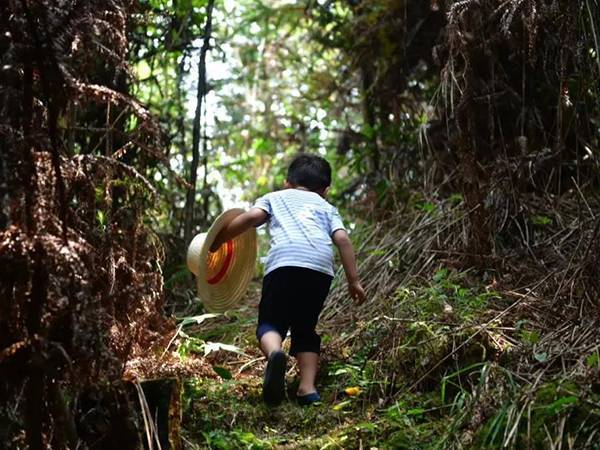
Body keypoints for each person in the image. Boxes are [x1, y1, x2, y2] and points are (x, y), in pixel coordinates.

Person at [210, 153, 366, 406]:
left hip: (284, 265)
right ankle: (307, 388)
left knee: (271, 321)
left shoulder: (275, 197)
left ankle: (275, 354)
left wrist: (217, 241)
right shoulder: (327, 207)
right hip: (318, 270)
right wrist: (353, 281)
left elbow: (251, 219)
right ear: (325, 190)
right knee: (306, 327)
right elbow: (343, 240)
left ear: (286, 182)